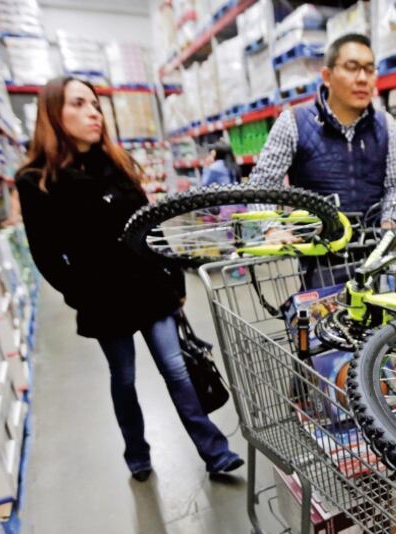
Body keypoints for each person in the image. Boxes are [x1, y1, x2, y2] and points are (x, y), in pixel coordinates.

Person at [15, 76, 244, 482]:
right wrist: (79, 293)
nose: (94, 113)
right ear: (54, 113)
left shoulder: (118, 165)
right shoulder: (37, 180)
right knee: (123, 376)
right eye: (80, 104)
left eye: (96, 105)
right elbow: (45, 255)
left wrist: (173, 280)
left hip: (149, 287)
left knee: (176, 368)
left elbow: (151, 228)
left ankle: (215, 453)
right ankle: (137, 453)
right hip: (102, 298)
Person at [248, 33, 396, 286]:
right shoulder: (293, 122)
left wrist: (390, 220)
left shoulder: (384, 124)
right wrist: (271, 228)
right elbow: (261, 185)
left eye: (369, 69)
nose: (362, 78)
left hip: (375, 259)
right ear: (327, 76)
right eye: (352, 68)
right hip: (320, 262)